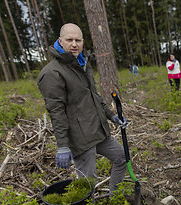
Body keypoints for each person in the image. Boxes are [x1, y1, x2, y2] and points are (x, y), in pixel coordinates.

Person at [37, 23, 127, 194]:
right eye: (69, 40)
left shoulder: (82, 63)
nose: (74, 44)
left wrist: (111, 116)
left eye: (78, 40)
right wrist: (63, 146)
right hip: (79, 137)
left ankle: (114, 197)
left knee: (122, 157)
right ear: (60, 41)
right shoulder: (52, 73)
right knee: (87, 182)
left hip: (98, 130)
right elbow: (56, 112)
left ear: (83, 41)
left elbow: (94, 96)